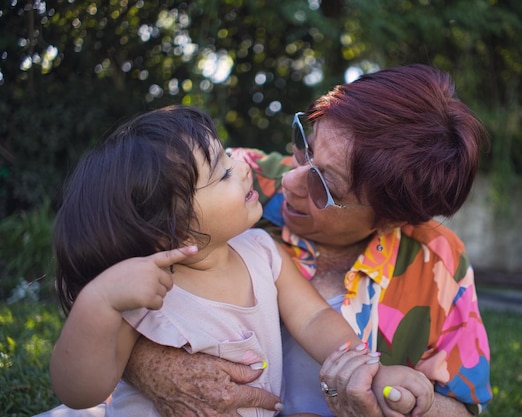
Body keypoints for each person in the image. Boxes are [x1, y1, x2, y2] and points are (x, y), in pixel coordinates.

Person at [118, 63, 493, 417]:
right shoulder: (233, 187)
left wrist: (395, 405)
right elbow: (99, 275)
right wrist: (156, 366)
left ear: (391, 218)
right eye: (306, 146)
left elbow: (462, 406)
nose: (289, 181)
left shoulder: (439, 263)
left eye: (325, 185)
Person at [47, 105, 414, 417]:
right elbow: (82, 392)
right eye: (223, 172)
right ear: (173, 231)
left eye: (227, 156)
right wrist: (99, 301)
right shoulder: (143, 288)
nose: (241, 165)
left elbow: (314, 318)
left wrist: (368, 372)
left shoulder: (262, 252)